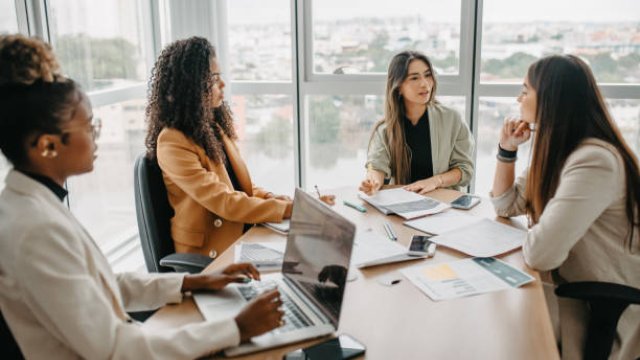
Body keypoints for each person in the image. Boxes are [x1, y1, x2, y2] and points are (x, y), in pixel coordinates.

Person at [0, 34, 284, 359]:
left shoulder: (33, 205)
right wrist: (236, 328)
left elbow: (102, 284)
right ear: (47, 145)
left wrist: (192, 284)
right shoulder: (35, 231)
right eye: (90, 127)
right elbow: (116, 349)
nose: (97, 137)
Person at [490, 54, 640, 359]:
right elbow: (506, 205)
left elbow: (541, 253)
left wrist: (537, 231)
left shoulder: (594, 161)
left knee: (496, 329)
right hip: (569, 287)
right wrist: (507, 150)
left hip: (603, 308)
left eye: (525, 90)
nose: (518, 98)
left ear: (550, 99)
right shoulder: (560, 151)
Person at [146, 37, 298, 258]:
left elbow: (239, 188)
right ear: (190, 86)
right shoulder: (172, 142)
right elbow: (224, 201)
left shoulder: (213, 128)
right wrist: (285, 210)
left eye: (220, 76)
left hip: (240, 235)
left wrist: (277, 199)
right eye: (214, 78)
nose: (223, 84)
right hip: (208, 254)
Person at [359, 50, 474, 195]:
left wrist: (435, 181)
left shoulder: (452, 119)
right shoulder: (384, 130)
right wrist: (373, 182)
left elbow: (465, 170)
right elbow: (376, 166)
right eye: (414, 78)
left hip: (443, 206)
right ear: (398, 86)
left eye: (427, 75)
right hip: (403, 208)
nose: (424, 84)